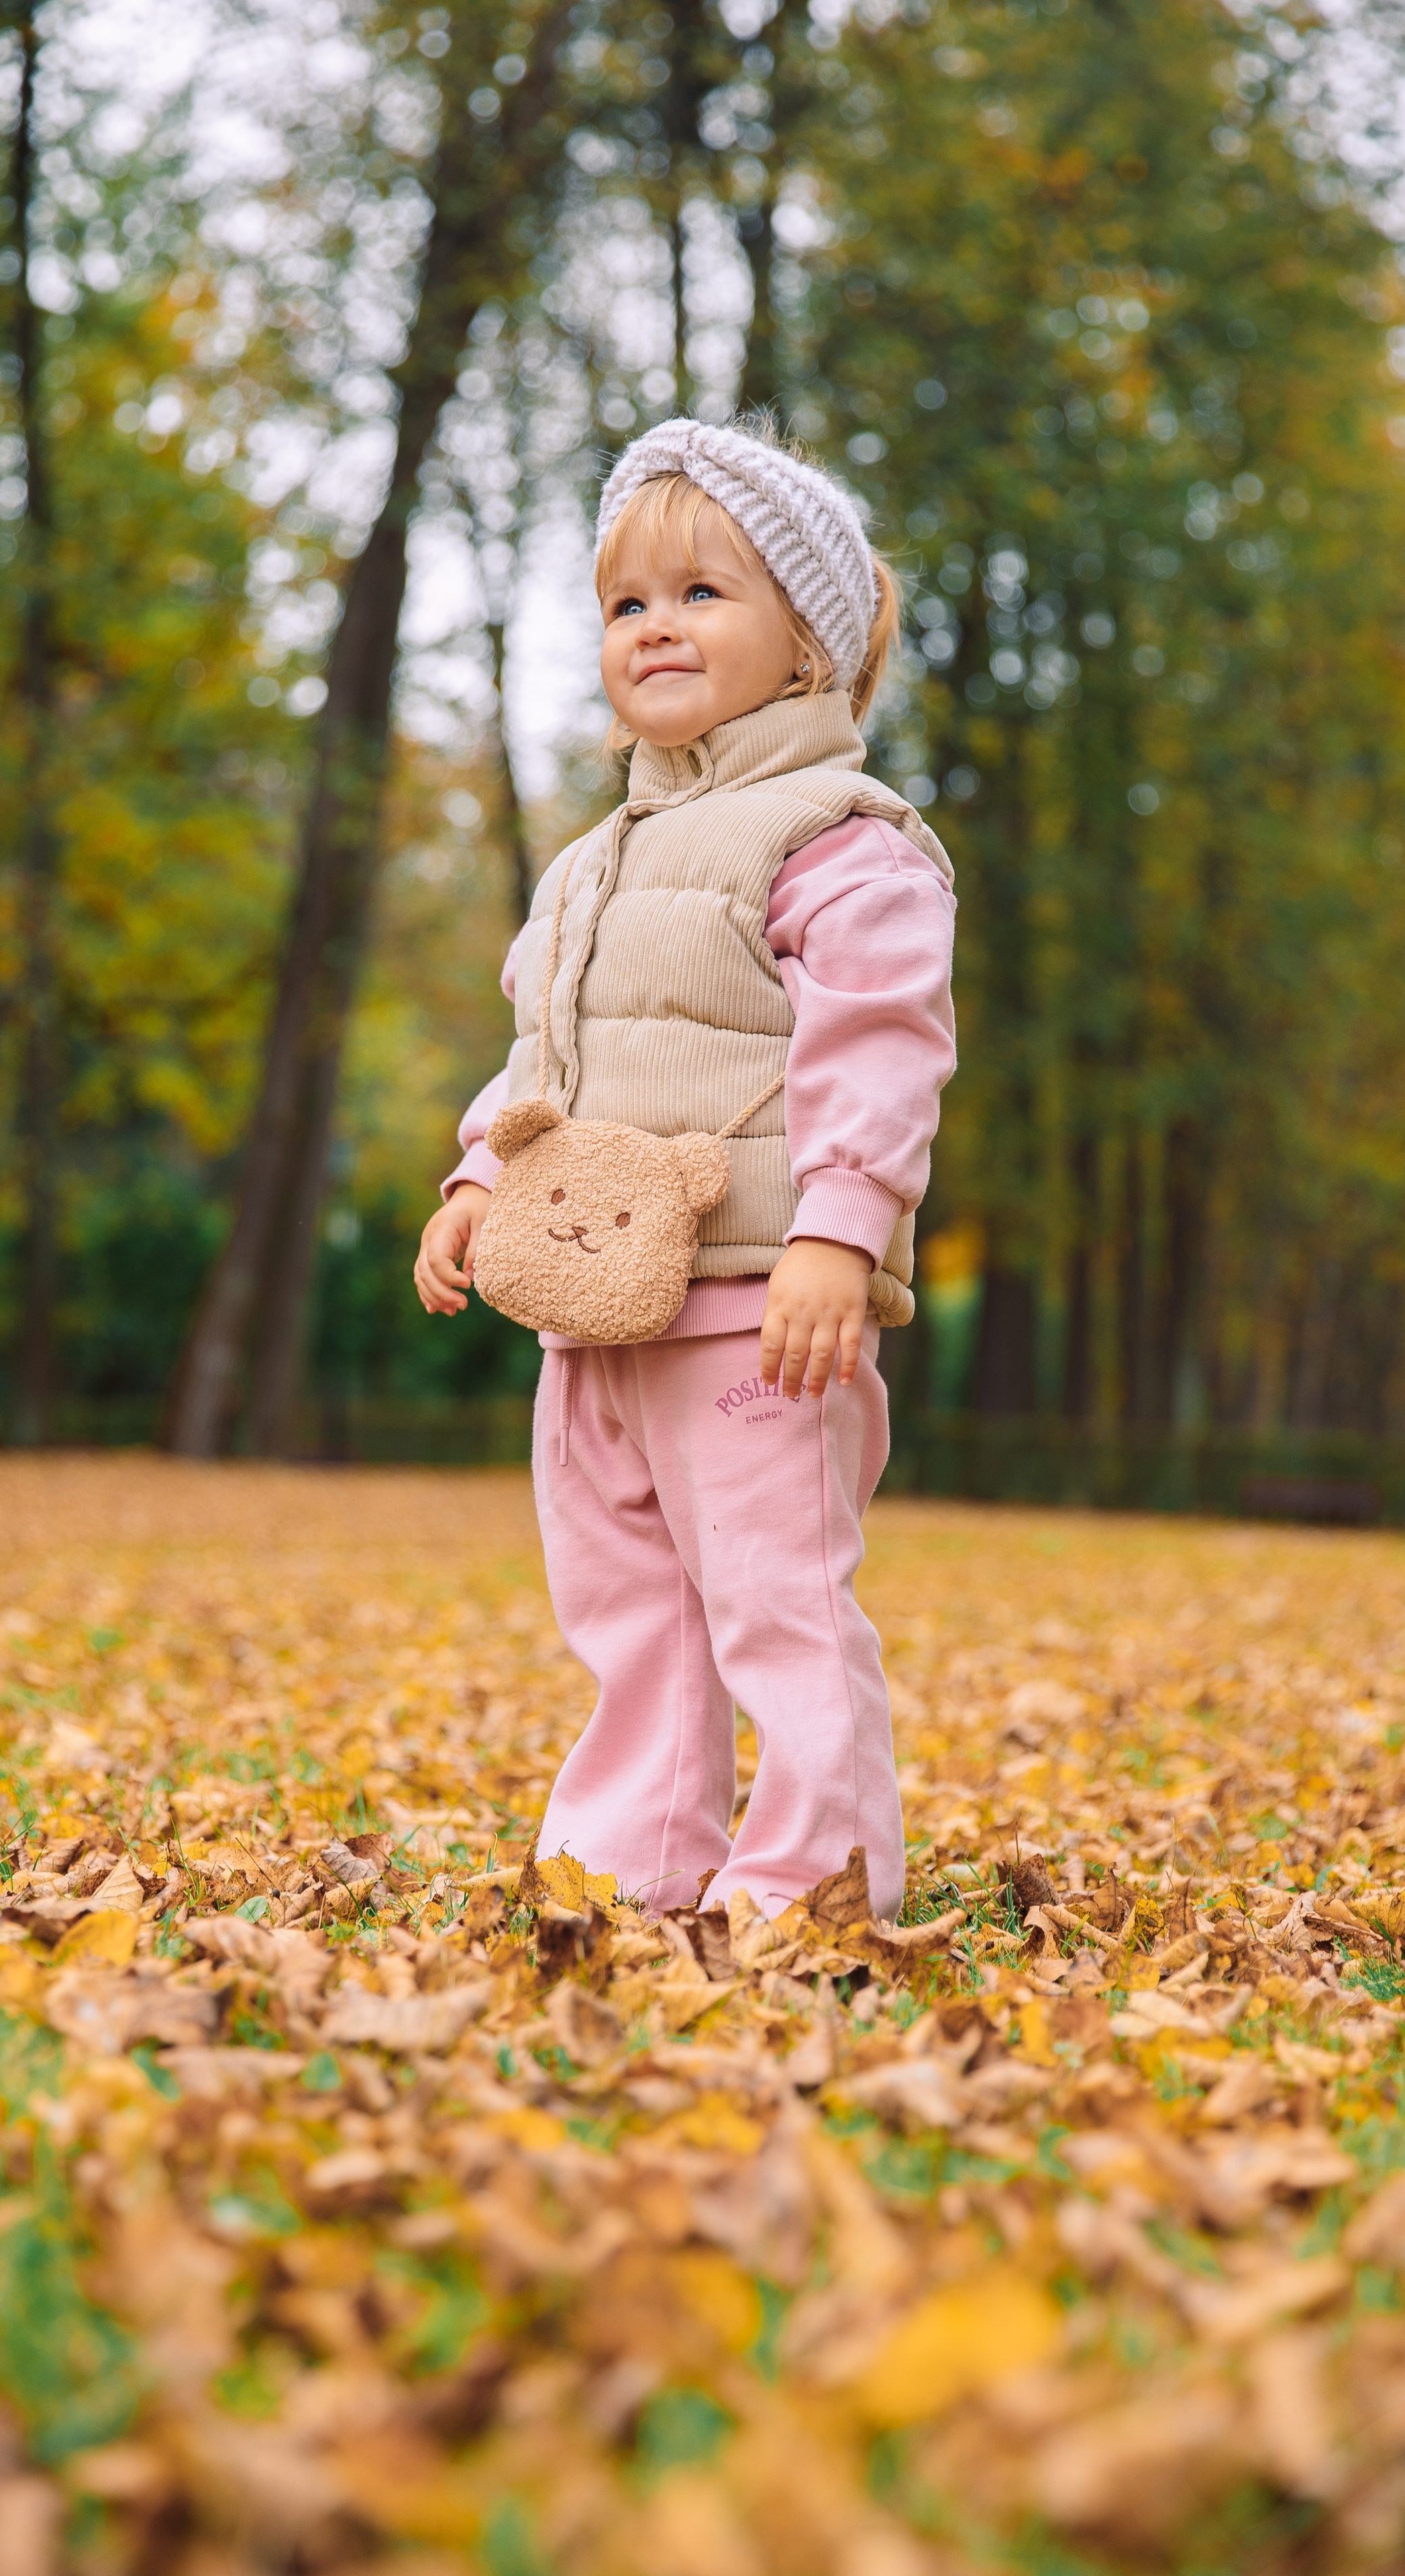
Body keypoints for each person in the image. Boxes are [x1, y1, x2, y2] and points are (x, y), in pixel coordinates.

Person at [413, 417, 955, 1919]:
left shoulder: (842, 843)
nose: (655, 625)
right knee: (628, 1605)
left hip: (756, 1304)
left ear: (808, 644)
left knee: (775, 1598)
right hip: (592, 1305)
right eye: (626, 602)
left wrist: (841, 1230)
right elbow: (546, 1058)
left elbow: (883, 1044)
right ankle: (633, 1863)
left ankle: (815, 1876)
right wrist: (479, 1179)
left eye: (703, 593)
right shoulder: (591, 863)